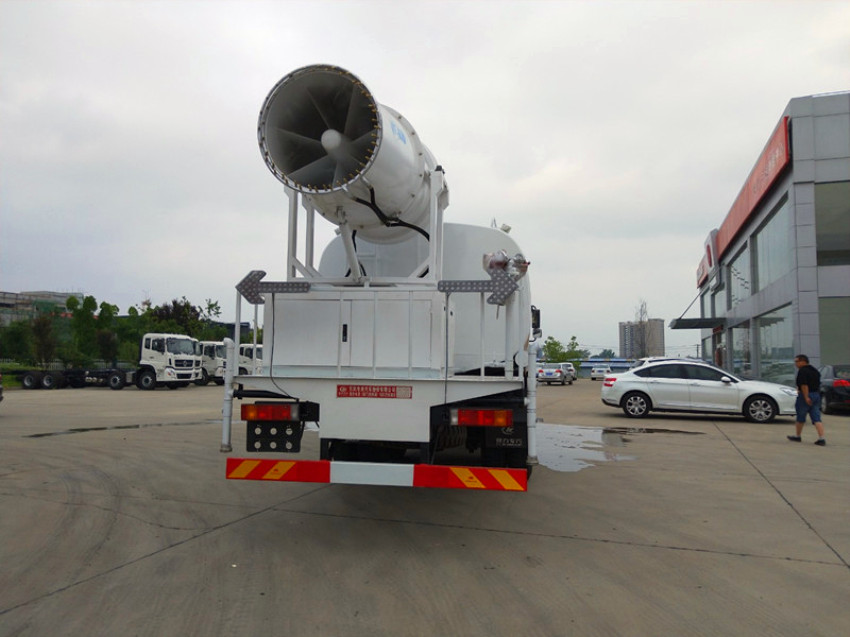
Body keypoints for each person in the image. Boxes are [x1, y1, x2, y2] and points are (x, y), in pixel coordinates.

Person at [787, 354, 826, 446]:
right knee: (816, 418)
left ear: (803, 361)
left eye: (797, 361)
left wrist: (806, 397)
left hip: (806, 395)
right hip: (816, 395)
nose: (795, 364)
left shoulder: (803, 371)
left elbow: (804, 385)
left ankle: (798, 436)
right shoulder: (815, 371)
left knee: (801, 416)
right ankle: (822, 438)